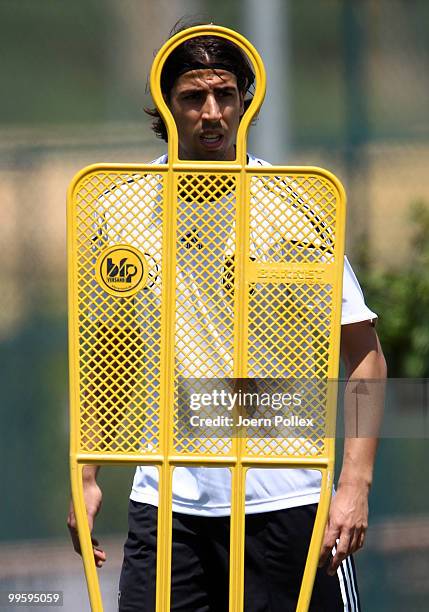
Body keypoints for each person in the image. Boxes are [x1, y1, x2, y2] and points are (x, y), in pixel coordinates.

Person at [68, 21, 386, 612]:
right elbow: (107, 353)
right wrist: (86, 477)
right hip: (168, 506)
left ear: (248, 101)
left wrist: (354, 485)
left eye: (226, 96)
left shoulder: (297, 204)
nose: (212, 112)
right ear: (166, 104)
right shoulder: (120, 208)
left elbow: (364, 355)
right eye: (194, 97)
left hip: (287, 503)